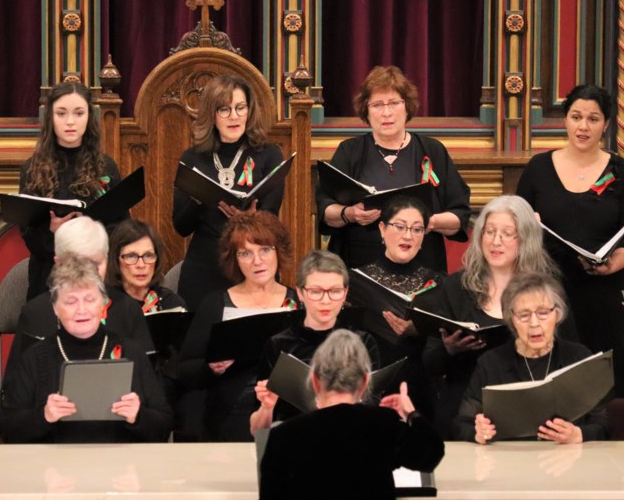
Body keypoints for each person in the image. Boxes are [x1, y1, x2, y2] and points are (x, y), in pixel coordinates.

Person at [0, 256, 173, 500]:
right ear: (55, 308)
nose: (81, 309)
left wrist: (137, 415)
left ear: (103, 304)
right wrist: (42, 416)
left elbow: (163, 423)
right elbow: (8, 426)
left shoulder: (129, 351)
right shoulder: (37, 358)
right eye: (70, 301)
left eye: (88, 299)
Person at [455, 272, 609, 500]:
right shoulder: (492, 363)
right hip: (509, 495)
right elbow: (460, 422)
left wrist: (579, 434)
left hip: (569, 493)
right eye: (523, 315)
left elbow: (605, 423)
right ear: (510, 319)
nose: (535, 323)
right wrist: (476, 430)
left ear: (559, 314)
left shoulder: (579, 356)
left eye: (543, 312)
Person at [255, 330, 444, 500]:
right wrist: (411, 413)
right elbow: (429, 454)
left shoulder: (287, 435)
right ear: (366, 381)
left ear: (315, 380)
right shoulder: (384, 423)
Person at [516, 84, 624, 396]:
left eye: (593, 119)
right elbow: (516, 226)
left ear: (606, 125)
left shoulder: (622, 172)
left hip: (603, 291)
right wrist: (527, 224)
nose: (583, 126)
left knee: (605, 384)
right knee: (554, 382)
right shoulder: (539, 168)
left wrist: (612, 266)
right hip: (548, 293)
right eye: (576, 117)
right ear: (565, 120)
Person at [422, 195, 569, 437]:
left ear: (525, 239)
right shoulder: (457, 286)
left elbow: (567, 355)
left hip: (530, 411)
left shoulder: (546, 288)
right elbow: (431, 362)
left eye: (506, 233)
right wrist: (450, 349)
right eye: (489, 232)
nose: (495, 241)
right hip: (465, 413)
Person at [316, 65, 471, 271]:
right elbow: (325, 209)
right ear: (366, 111)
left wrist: (426, 222)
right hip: (359, 267)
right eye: (377, 105)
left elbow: (459, 215)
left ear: (407, 107)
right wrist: (349, 213)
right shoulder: (349, 151)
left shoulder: (432, 150)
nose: (386, 112)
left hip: (422, 268)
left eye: (394, 103)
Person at [178, 211, 297, 441]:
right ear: (235, 259)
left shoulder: (298, 302)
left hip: (287, 409)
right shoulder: (215, 304)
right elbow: (184, 369)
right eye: (246, 253)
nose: (257, 261)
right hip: (230, 412)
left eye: (265, 250)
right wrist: (210, 368)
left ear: (278, 252)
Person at [173, 74, 284, 309]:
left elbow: (271, 215)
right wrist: (198, 198)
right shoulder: (192, 158)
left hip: (254, 265)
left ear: (249, 111)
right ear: (212, 115)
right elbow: (181, 227)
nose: (234, 116)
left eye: (240, 108)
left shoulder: (269, 154)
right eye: (224, 109)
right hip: (204, 267)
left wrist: (252, 220)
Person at [250, 250, 380, 432]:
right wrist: (267, 407)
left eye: (335, 291)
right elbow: (257, 430)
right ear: (300, 293)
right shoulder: (278, 344)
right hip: (295, 443)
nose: (325, 301)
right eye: (316, 292)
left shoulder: (363, 342)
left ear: (345, 293)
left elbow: (375, 413)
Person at [6, 216, 153, 377]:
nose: (88, 274)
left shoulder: (128, 310)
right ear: (58, 263)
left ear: (107, 259)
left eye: (96, 264)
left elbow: (150, 385)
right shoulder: (36, 313)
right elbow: (15, 393)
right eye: (78, 265)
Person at [19, 81, 122, 300]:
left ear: (89, 117)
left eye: (78, 113)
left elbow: (119, 228)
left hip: (96, 276)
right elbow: (29, 236)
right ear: (50, 118)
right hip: (48, 277)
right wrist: (53, 231)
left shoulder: (106, 167)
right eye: (61, 113)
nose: (70, 122)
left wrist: (91, 232)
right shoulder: (32, 169)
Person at [353, 195, 443, 417]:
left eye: (417, 229)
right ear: (382, 229)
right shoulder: (356, 281)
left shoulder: (439, 282)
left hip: (421, 387)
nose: (408, 236)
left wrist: (419, 329)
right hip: (372, 386)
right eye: (400, 227)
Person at [106, 218, 186, 312]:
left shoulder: (171, 304)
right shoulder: (103, 307)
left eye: (148, 256)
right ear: (116, 260)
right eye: (131, 256)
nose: (141, 265)